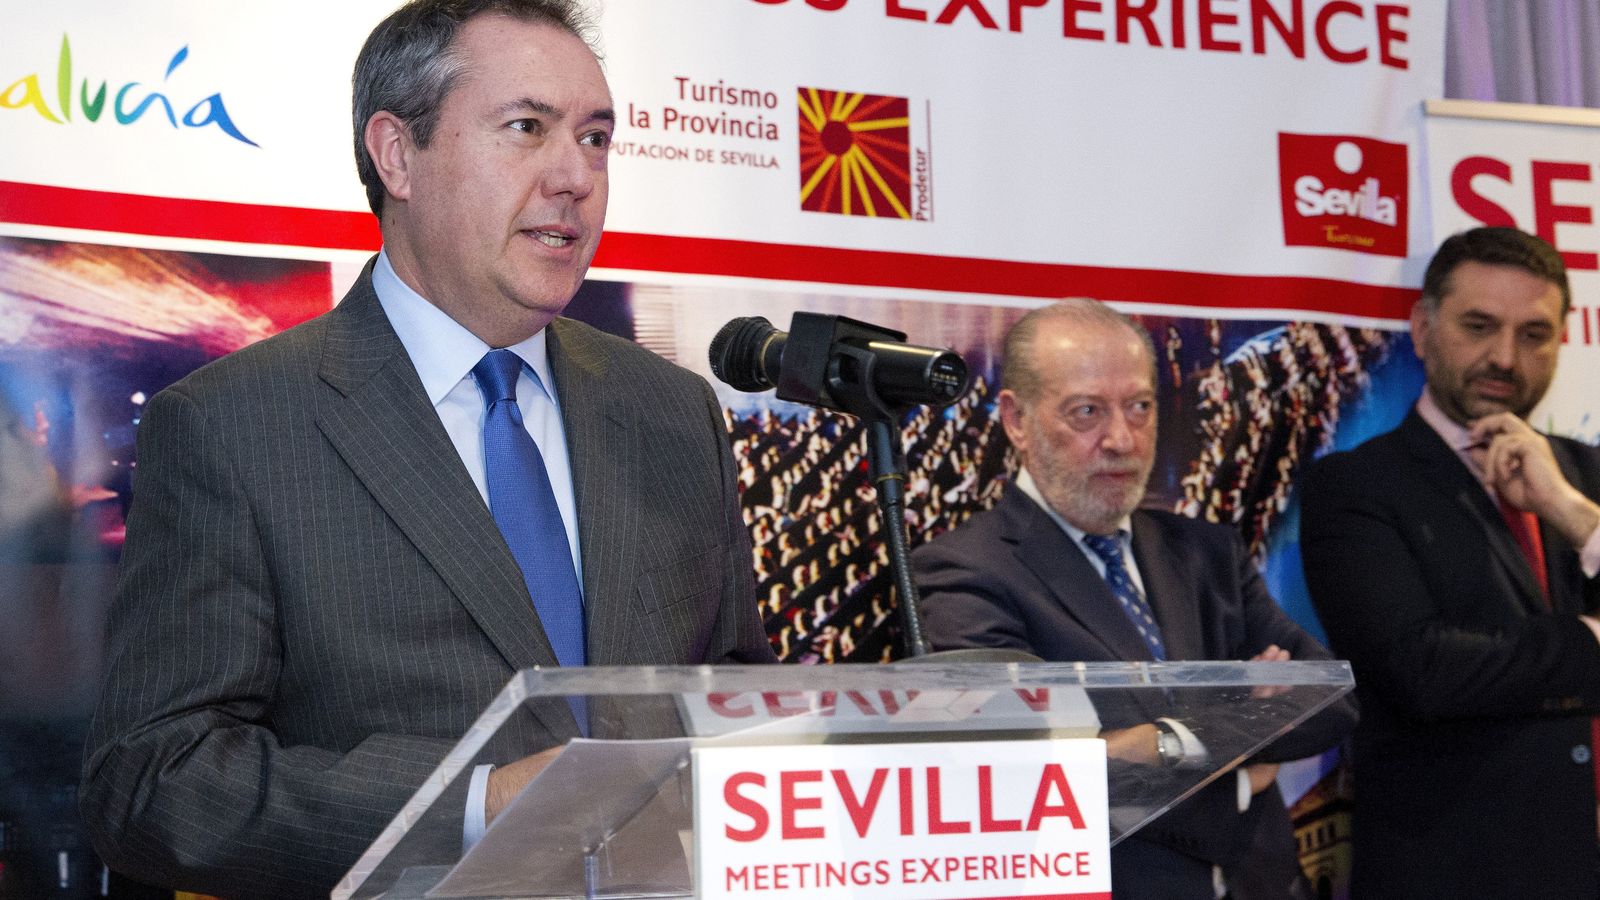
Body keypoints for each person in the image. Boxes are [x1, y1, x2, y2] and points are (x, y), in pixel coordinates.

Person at [77, 2, 774, 897]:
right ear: (397, 154)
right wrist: (477, 804)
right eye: (527, 128)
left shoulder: (672, 411)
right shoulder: (235, 425)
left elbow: (733, 696)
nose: (576, 176)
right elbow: (151, 782)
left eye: (595, 138)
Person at [912, 299, 1355, 899]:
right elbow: (1032, 777)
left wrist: (1154, 744)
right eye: (1087, 411)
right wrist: (1238, 765)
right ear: (1016, 419)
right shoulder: (965, 569)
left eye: (1140, 407)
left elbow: (1331, 704)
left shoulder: (1207, 552)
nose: (1122, 439)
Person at [1299, 226, 1600, 897]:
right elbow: (1422, 670)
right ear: (1422, 328)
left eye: (1533, 334)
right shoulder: (1357, 487)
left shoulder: (1584, 477)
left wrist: (1570, 512)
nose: (1504, 357)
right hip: (1460, 873)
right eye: (1478, 326)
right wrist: (1590, 639)